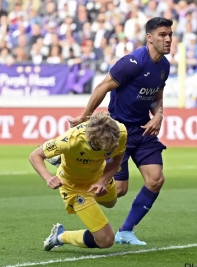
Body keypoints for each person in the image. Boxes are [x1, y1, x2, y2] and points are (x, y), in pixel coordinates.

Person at [52, 17, 172, 245]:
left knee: (156, 180)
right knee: (119, 190)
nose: (167, 39)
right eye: (162, 35)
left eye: (169, 35)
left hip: (143, 129)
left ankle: (126, 231)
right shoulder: (132, 62)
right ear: (150, 37)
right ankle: (68, 167)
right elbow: (103, 87)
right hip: (118, 132)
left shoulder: (164, 66)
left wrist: (159, 115)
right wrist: (85, 117)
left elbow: (157, 98)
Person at [29, 112, 127, 251]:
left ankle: (61, 161)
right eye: (106, 148)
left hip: (98, 177)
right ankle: (61, 236)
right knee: (106, 241)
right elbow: (35, 155)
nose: (112, 149)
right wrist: (49, 177)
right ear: (92, 141)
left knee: (111, 202)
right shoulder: (70, 140)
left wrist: (102, 181)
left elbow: (116, 161)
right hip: (73, 186)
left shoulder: (120, 132)